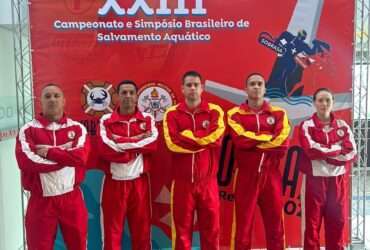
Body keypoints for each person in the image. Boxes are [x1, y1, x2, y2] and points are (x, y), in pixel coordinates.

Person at [15, 83, 90, 250]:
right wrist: (67, 157)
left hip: (71, 199)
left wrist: (49, 152)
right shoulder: (28, 130)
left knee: (78, 245)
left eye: (56, 96)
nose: (52, 99)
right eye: (47, 96)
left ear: (64, 101)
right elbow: (26, 162)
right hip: (41, 201)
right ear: (40, 102)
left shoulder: (77, 128)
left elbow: (81, 158)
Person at [227, 73, 290, 250]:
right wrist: (268, 138)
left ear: (265, 88)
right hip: (246, 175)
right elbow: (240, 140)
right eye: (252, 84)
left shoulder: (279, 113)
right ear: (245, 89)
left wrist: (254, 143)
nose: (256, 87)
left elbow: (283, 143)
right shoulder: (234, 114)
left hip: (271, 176)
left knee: (276, 225)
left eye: (259, 83)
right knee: (243, 226)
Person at [163, 70, 225, 250]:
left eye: (196, 85)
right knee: (182, 231)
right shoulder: (172, 113)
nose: (192, 88)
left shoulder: (214, 111)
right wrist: (202, 138)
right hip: (182, 184)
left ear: (202, 88)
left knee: (212, 229)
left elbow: (216, 139)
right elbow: (172, 144)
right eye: (188, 85)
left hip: (208, 182)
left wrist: (187, 135)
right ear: (182, 89)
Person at [97, 80, 158, 250]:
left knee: (142, 234)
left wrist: (120, 142)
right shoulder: (106, 120)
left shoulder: (147, 119)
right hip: (113, 183)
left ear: (137, 96)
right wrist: (138, 140)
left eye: (131, 92)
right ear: (116, 96)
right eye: (124, 93)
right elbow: (104, 149)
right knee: (111, 234)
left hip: (139, 183)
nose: (128, 96)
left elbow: (152, 145)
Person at [299, 88, 357, 250]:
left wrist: (324, 152)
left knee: (337, 222)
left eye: (328, 100)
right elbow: (311, 150)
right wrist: (337, 149)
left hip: (337, 181)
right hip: (314, 180)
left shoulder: (342, 126)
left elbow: (351, 152)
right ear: (314, 103)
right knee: (312, 225)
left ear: (332, 103)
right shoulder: (306, 125)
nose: (324, 104)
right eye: (320, 100)